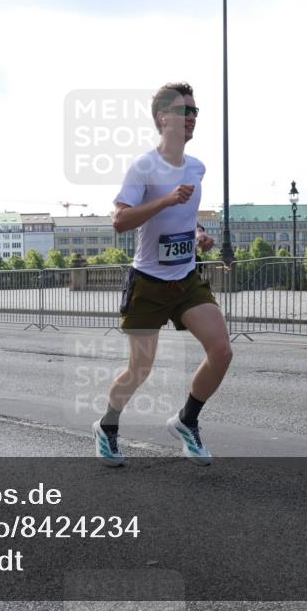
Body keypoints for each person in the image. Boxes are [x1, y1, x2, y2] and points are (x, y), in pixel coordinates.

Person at [93, 82, 231, 467]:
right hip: (148, 283)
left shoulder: (196, 167)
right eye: (185, 111)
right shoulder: (144, 167)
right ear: (162, 117)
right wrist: (167, 199)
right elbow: (119, 221)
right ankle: (107, 427)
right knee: (140, 369)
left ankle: (187, 421)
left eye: (195, 112)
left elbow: (184, 220)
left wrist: (200, 236)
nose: (192, 118)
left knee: (221, 351)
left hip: (186, 278)